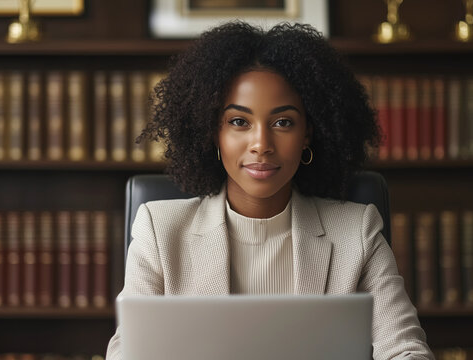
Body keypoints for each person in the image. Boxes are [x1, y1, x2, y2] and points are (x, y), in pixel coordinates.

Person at [106, 21, 434, 360]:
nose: (261, 144)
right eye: (239, 122)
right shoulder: (160, 230)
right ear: (213, 133)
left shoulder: (358, 231)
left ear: (308, 133)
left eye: (283, 122)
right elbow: (128, 353)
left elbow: (406, 349)